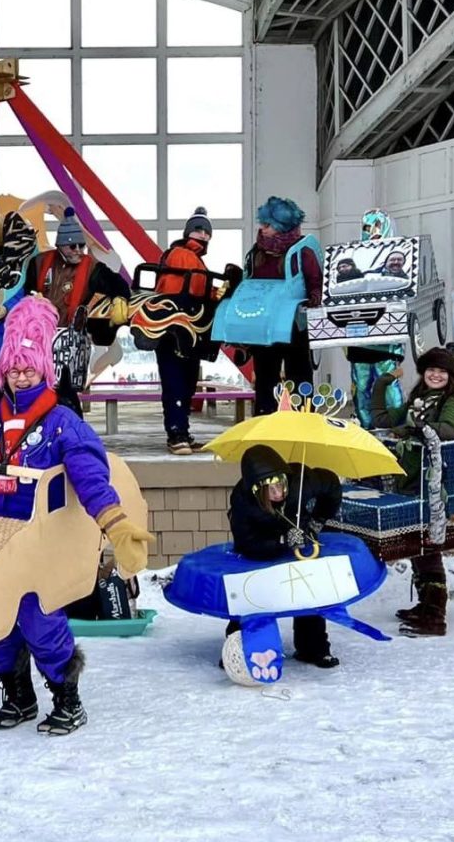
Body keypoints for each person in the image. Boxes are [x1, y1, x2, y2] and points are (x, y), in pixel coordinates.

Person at [0, 296, 153, 735]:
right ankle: (17, 695)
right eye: (13, 366)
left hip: (43, 543)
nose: (20, 374)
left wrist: (116, 523)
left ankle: (67, 698)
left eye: (28, 366)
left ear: (44, 368)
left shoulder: (62, 422)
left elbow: (91, 477)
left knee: (38, 621)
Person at [371, 347, 454, 637]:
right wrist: (382, 384)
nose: (436, 375)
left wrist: (419, 428)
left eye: (442, 371)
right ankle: (426, 604)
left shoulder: (452, 401)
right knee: (419, 542)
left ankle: (435, 615)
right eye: (431, 370)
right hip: (416, 480)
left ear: (450, 376)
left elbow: (453, 430)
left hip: (439, 485)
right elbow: (383, 420)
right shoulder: (419, 399)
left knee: (428, 545)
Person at [227, 444, 342, 668]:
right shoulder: (242, 501)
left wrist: (317, 521)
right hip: (262, 546)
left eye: (281, 485)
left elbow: (332, 485)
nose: (279, 493)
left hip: (300, 536)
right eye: (271, 490)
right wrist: (280, 542)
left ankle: (313, 647)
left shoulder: (302, 481)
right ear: (257, 491)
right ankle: (242, 647)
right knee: (253, 592)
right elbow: (245, 542)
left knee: (308, 588)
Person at [25, 207, 130, 413]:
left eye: (81, 246)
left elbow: (117, 283)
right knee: (37, 390)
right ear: (60, 245)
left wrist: (120, 298)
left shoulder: (91, 267)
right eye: (72, 246)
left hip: (71, 340)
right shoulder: (38, 263)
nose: (78, 251)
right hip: (38, 338)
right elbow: (24, 293)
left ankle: (73, 433)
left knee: (66, 393)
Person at [154, 206, 232, 455]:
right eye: (198, 230)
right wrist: (213, 294)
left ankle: (181, 432)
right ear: (188, 232)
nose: (204, 236)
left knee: (184, 381)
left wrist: (212, 293)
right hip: (177, 327)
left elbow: (195, 289)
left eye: (207, 232)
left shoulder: (188, 257)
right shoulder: (182, 256)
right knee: (177, 380)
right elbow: (188, 292)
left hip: (183, 328)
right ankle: (176, 433)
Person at [245, 197, 322, 415]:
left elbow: (315, 282)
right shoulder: (257, 252)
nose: (262, 229)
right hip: (265, 323)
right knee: (265, 377)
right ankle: (264, 418)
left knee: (299, 374)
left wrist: (314, 298)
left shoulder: (302, 251)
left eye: (267, 225)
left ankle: (302, 419)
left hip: (295, 325)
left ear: (281, 226)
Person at [348, 208, 404, 428]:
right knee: (361, 386)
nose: (373, 232)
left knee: (388, 385)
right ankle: (366, 429)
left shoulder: (400, 258)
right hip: (358, 338)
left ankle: (397, 429)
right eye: (368, 227)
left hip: (386, 341)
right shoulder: (352, 257)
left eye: (378, 226)